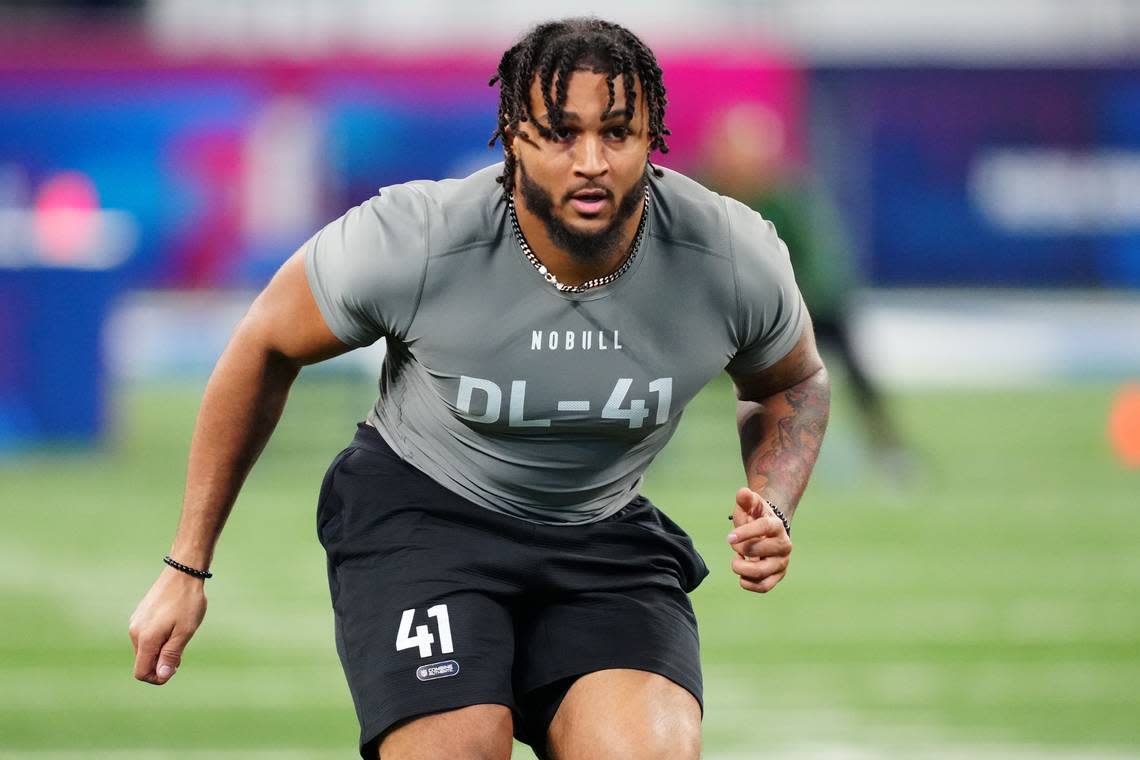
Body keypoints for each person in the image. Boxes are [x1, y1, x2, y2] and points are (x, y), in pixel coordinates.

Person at [128, 17, 830, 760]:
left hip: (600, 530)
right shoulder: (418, 238)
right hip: (425, 518)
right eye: (560, 132)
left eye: (616, 133)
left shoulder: (727, 255)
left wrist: (775, 500)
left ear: (652, 136)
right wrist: (185, 567)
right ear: (513, 137)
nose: (590, 160)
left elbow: (794, 381)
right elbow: (263, 344)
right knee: (454, 749)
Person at [702, 102, 906, 471]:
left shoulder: (790, 200)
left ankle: (888, 448)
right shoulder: (696, 195)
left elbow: (822, 270)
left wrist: (784, 309)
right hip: (716, 312)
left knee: (845, 345)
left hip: (783, 311)